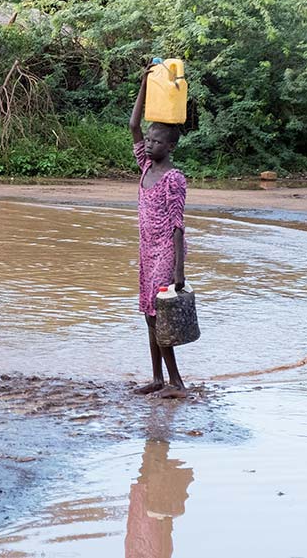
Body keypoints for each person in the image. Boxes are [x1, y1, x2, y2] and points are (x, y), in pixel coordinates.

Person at [129, 64, 189, 399]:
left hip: (166, 250)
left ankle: (176, 383)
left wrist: (179, 270)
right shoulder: (145, 167)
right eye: (149, 140)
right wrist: (144, 83)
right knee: (149, 316)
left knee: (159, 317)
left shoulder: (173, 178)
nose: (149, 144)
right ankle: (157, 378)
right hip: (146, 250)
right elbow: (133, 124)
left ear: (171, 147)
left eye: (156, 141)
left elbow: (178, 225)